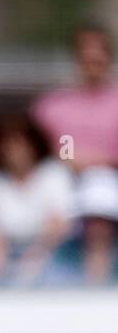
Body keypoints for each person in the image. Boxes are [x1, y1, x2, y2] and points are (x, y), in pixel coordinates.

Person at [33, 24, 118, 283]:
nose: (93, 61)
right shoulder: (52, 106)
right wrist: (71, 161)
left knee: (99, 194)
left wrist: (99, 162)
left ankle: (96, 284)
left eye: (98, 54)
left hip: (110, 182)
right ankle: (31, 276)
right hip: (63, 183)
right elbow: (39, 151)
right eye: (86, 55)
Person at [0, 115, 74, 286]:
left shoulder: (55, 175)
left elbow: (59, 227)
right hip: (5, 258)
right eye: (7, 145)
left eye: (20, 143)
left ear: (34, 145)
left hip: (52, 257)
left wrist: (33, 263)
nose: (14, 151)